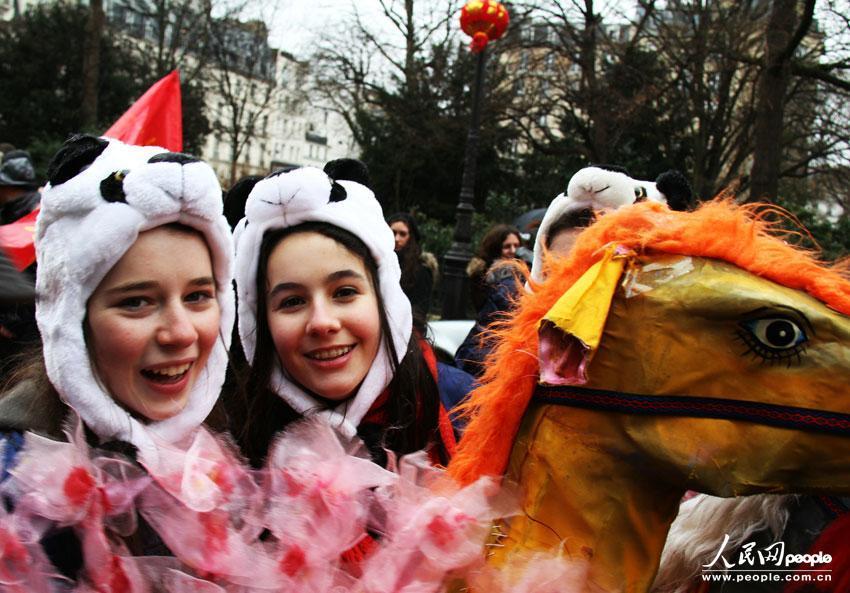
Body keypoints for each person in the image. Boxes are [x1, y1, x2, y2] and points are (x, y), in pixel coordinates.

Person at [0, 135, 235, 578]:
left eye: (199, 296)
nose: (181, 332)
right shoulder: (14, 484)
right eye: (136, 302)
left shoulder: (214, 449)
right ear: (72, 322)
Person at [230, 166, 456, 470]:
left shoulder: (464, 410)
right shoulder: (227, 446)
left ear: (383, 299)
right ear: (260, 325)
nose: (323, 322)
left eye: (344, 292)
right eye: (293, 301)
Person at [0, 149, 42, 380]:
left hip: (22, 329)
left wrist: (10, 323)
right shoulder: (22, 212)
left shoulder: (31, 217)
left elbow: (34, 277)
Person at [387, 212, 436, 319]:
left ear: (411, 237)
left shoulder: (421, 270)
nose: (396, 238)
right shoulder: (377, 261)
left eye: (402, 234)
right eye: (393, 232)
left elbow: (419, 310)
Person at [467, 224, 522, 313]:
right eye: (507, 246)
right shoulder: (481, 273)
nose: (513, 250)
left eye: (516, 245)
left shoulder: (525, 271)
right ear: (496, 248)